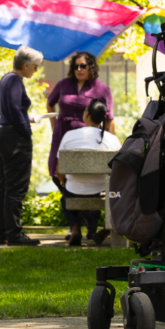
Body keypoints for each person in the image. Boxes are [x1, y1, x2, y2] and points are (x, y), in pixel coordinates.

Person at [47, 51, 115, 245]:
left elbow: (109, 119)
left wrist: (107, 140)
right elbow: (49, 103)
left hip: (90, 138)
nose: (79, 69)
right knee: (58, 174)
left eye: (83, 66)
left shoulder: (102, 89)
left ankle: (83, 224)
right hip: (64, 137)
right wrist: (54, 127)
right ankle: (78, 224)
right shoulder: (63, 85)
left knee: (87, 177)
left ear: (91, 67)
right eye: (76, 66)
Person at [0, 46, 44, 247]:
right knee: (15, 188)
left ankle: (2, 233)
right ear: (26, 65)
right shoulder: (15, 80)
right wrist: (25, 131)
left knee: (5, 186)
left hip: (1, 133)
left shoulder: (5, 79)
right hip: (14, 138)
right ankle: (14, 234)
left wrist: (25, 117)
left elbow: (0, 108)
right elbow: (14, 109)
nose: (36, 71)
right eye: (35, 67)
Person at [57, 99, 121, 247]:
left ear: (86, 114)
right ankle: (107, 228)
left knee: (64, 198)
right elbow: (118, 171)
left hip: (73, 191)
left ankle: (75, 228)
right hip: (100, 190)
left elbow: (59, 170)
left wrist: (64, 182)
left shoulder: (69, 136)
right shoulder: (112, 139)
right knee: (119, 193)